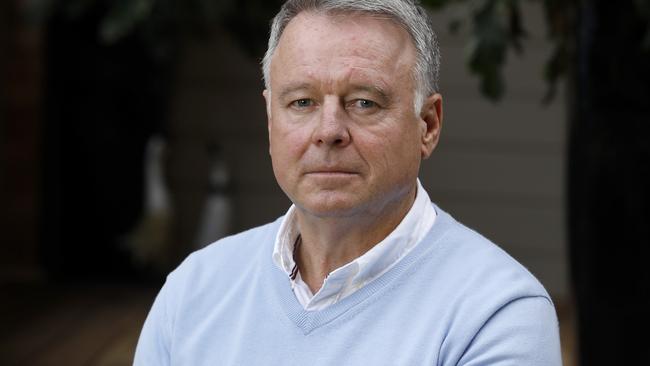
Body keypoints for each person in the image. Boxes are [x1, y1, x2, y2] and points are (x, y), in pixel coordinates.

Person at [133, 0, 562, 364]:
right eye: (302, 102)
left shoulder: (497, 315)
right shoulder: (194, 291)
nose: (329, 130)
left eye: (363, 102)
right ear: (270, 121)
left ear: (427, 125)